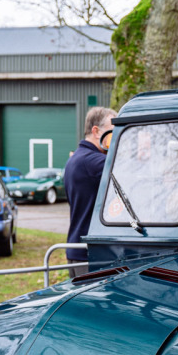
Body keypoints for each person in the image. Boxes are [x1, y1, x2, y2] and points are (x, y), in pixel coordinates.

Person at [64, 107, 114, 277]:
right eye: (113, 132)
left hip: (77, 247)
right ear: (96, 131)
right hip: (89, 253)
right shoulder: (93, 161)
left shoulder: (76, 158)